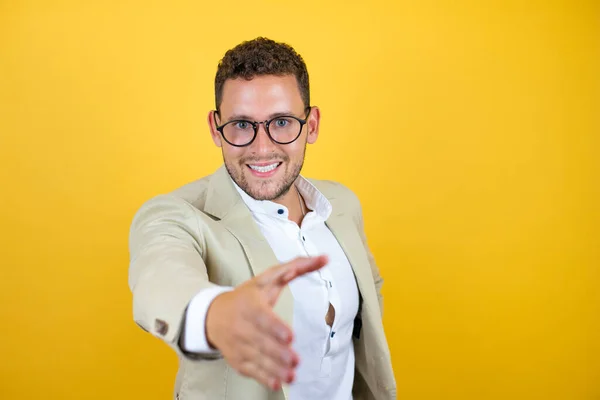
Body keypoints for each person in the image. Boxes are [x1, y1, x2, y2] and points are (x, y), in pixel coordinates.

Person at [128, 37, 396, 400]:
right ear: (215, 127)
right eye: (241, 125)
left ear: (312, 124)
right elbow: (160, 278)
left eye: (282, 122)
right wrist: (213, 315)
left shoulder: (342, 204)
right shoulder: (177, 214)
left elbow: (369, 304)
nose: (262, 148)